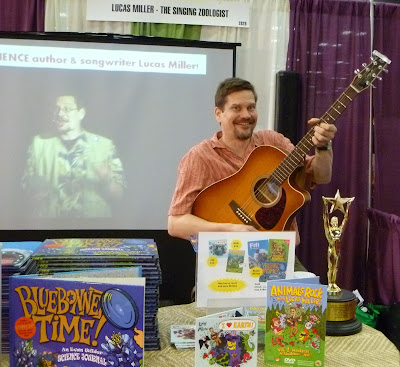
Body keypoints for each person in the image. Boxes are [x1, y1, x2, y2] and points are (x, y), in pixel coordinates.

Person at [168, 77, 337, 270]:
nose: (246, 115)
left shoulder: (273, 143)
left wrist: (323, 147)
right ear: (218, 114)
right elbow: (176, 223)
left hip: (276, 256)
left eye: (251, 107)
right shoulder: (199, 157)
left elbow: (321, 176)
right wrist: (233, 230)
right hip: (226, 259)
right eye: (236, 108)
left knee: (307, 299)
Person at [22, 94, 125, 218]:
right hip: (51, 228)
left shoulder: (104, 146)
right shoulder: (38, 144)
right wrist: (35, 192)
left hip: (93, 229)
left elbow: (119, 196)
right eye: (56, 109)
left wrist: (107, 181)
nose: (59, 114)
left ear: (81, 113)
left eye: (67, 109)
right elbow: (25, 188)